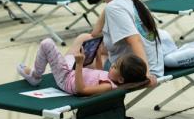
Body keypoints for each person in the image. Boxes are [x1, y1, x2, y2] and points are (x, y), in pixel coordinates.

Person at [57, 0, 163, 119]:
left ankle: (77, 102)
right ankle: (68, 72)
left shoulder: (115, 8)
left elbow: (135, 41)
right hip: (151, 63)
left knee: (84, 53)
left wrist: (146, 74)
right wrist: (107, 7)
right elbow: (96, 32)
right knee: (84, 38)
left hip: (137, 70)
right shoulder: (134, 3)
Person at [16, 38, 148, 95]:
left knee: (47, 44)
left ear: (121, 80)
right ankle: (41, 68)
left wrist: (79, 65)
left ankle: (35, 76)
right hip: (72, 72)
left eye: (115, 67)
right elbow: (99, 74)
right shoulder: (112, 80)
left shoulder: (108, 86)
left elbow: (81, 90)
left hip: (66, 79)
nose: (112, 65)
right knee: (69, 57)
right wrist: (97, 56)